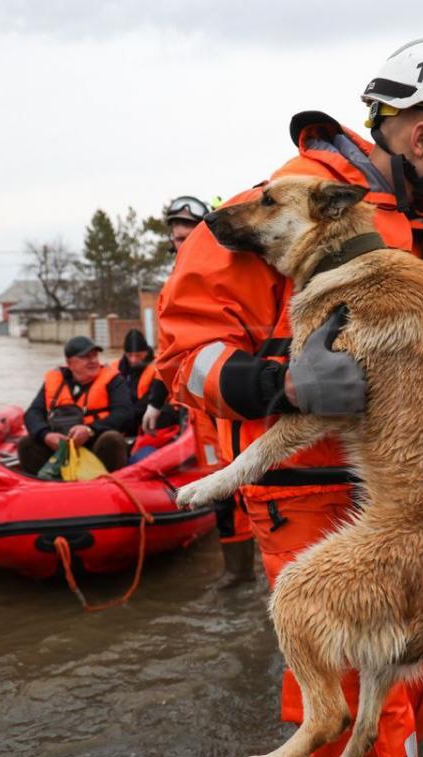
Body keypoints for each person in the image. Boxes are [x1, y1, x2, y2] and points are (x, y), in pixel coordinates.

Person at [155, 33, 423, 757]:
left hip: (418, 502)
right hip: (307, 490)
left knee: (417, 686)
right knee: (364, 714)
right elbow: (183, 350)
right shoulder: (277, 206)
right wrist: (279, 384)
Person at [158, 194, 258, 587]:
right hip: (201, 410)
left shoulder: (219, 276)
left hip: (229, 407)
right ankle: (239, 573)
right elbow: (172, 354)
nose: (182, 243)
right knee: (223, 493)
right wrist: (159, 402)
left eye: (189, 236)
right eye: (177, 237)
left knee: (239, 489)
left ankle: (242, 574)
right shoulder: (176, 283)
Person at [17, 336, 134, 474]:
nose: (93, 361)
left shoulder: (114, 380)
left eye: (95, 356)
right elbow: (33, 413)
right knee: (26, 443)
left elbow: (124, 413)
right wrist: (46, 435)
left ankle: (108, 486)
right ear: (69, 363)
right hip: (60, 446)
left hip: (96, 442)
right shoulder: (54, 380)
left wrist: (90, 430)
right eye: (85, 357)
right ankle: (44, 486)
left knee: (112, 439)